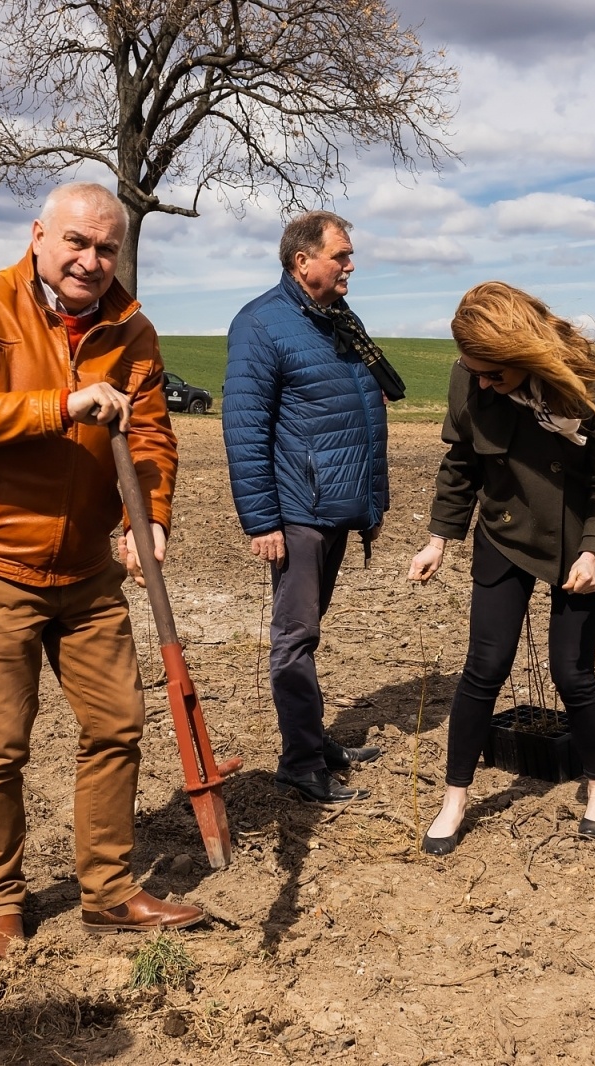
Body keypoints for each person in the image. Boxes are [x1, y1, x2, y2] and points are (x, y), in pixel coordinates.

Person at [0, 182, 201, 957]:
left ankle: (108, 892)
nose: (91, 260)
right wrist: (62, 405)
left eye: (106, 248)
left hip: (86, 570)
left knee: (117, 726)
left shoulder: (130, 328)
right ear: (40, 235)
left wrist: (153, 519)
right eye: (77, 242)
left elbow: (152, 436)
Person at [407, 282, 595, 855]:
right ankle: (454, 800)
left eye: (494, 373)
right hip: (504, 530)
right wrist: (439, 538)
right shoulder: (469, 378)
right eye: (475, 372)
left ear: (523, 355)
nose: (483, 383)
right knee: (483, 667)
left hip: (580, 539)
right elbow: (462, 462)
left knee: (573, 673)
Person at [223, 210, 389, 805]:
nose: (351, 265)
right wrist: (262, 520)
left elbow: (363, 408)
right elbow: (245, 429)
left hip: (334, 505)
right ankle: (298, 762)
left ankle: (315, 741)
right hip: (297, 511)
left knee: (309, 633)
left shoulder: (336, 319)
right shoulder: (260, 325)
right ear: (303, 261)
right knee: (294, 637)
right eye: (341, 255)